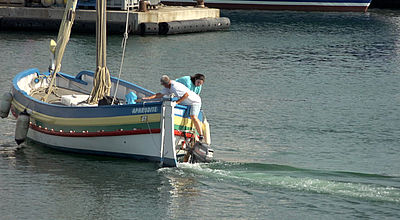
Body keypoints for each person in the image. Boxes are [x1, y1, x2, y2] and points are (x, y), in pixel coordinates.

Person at [137, 75, 204, 140]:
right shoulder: (168, 87)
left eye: (163, 85)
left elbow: (186, 95)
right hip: (186, 102)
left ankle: (201, 135)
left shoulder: (175, 87)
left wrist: (176, 103)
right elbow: (159, 94)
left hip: (195, 101)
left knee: (193, 116)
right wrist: (148, 98)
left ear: (165, 83)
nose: (163, 86)